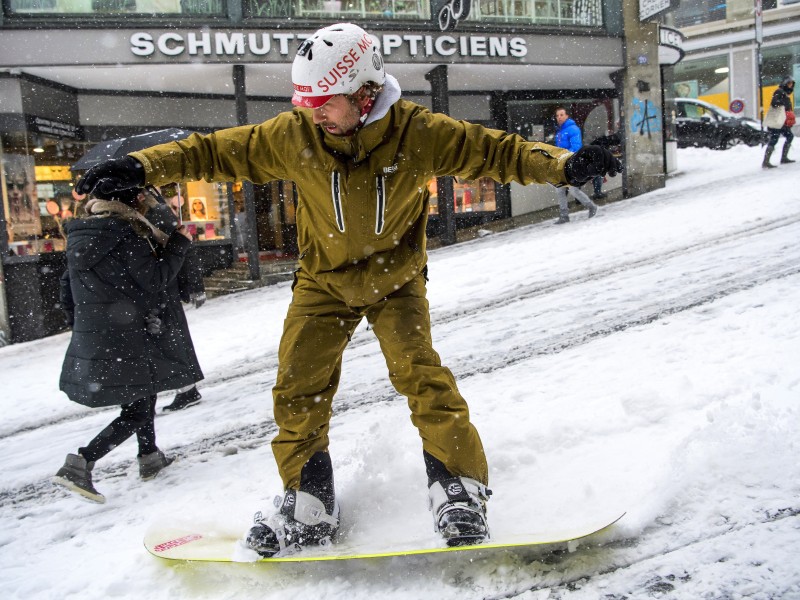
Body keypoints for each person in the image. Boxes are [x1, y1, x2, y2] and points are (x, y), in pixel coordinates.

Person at [74, 23, 621, 552]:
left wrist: (565, 164)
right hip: (323, 283)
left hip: (396, 281)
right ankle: (309, 499)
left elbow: (498, 151)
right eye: (305, 100)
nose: (312, 112)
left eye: (325, 100)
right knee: (296, 389)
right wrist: (142, 167)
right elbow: (212, 151)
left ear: (365, 93)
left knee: (421, 378)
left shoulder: (419, 132)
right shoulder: (294, 136)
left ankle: (458, 486)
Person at [53, 186, 193, 503]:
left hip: (104, 330)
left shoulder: (83, 232)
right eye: (141, 197)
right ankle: (80, 463)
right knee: (137, 410)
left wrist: (84, 323)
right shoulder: (126, 233)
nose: (145, 202)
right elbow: (155, 279)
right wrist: (179, 245)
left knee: (144, 391)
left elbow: (66, 286)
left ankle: (149, 455)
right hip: (126, 330)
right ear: (131, 202)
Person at [151, 191, 207, 412]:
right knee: (171, 338)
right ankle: (185, 388)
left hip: (165, 285)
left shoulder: (159, 214)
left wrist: (194, 286)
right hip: (162, 284)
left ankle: (187, 389)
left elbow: (184, 249)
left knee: (172, 338)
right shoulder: (156, 213)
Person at [553, 107, 600, 224]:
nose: (559, 117)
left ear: (567, 116)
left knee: (573, 189)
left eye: (561, 115)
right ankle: (564, 215)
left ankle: (591, 206)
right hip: (562, 164)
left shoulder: (573, 129)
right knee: (560, 189)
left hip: (572, 163)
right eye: (557, 115)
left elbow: (576, 147)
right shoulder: (559, 132)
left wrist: (563, 156)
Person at [762, 76, 795, 169]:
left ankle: (783, 158)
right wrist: (783, 104)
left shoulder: (784, 93)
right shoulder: (779, 91)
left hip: (782, 122)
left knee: (789, 136)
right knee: (774, 139)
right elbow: (774, 102)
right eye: (789, 83)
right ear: (785, 83)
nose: (790, 85)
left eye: (791, 84)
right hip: (778, 121)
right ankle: (766, 161)